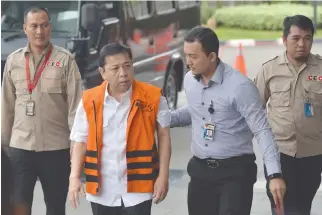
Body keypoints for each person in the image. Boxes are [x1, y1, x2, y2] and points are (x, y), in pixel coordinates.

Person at [170, 26, 286, 215]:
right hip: (200, 172)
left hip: (235, 173)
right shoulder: (190, 80)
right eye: (186, 55)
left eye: (193, 56)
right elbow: (194, 110)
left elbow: (262, 130)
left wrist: (274, 174)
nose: (188, 62)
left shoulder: (240, 87)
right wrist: (163, 118)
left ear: (212, 56)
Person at [68, 43, 172, 215]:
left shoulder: (153, 97)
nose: (123, 73)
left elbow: (164, 137)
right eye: (115, 68)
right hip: (102, 190)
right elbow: (80, 141)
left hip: (139, 188)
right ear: (102, 73)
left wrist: (163, 176)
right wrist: (74, 177)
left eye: (127, 66)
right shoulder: (89, 100)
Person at [1, 6, 83, 215]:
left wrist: (76, 151)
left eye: (44, 25)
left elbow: (76, 109)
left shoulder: (65, 61)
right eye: (34, 26)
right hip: (20, 149)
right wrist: (4, 149)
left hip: (56, 150)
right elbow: (7, 108)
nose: (40, 31)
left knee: (55, 207)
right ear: (25, 29)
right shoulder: (14, 61)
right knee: (18, 206)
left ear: (50, 27)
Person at [255, 15, 322, 215]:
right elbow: (255, 112)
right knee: (281, 209)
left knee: (302, 208)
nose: (302, 44)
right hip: (279, 155)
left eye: (307, 38)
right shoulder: (269, 70)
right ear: (284, 40)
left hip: (312, 155)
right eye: (296, 38)